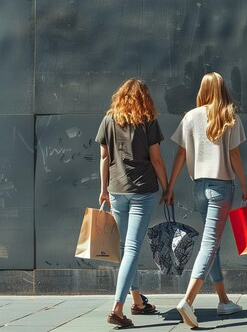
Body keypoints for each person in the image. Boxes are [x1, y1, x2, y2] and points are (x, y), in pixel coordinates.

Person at [164, 71, 247, 328]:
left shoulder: (190, 117)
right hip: (221, 187)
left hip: (199, 188)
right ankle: (188, 301)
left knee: (212, 244)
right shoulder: (229, 115)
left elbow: (180, 155)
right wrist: (245, 185)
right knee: (210, 244)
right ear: (223, 89)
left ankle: (224, 301)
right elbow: (234, 155)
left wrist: (170, 186)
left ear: (203, 89)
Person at [96, 78, 169, 328]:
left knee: (127, 249)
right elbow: (157, 159)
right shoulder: (148, 120)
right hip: (143, 190)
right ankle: (117, 308)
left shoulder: (108, 119)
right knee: (132, 249)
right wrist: (167, 187)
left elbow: (104, 158)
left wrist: (103, 189)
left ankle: (137, 301)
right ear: (144, 97)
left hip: (116, 190)